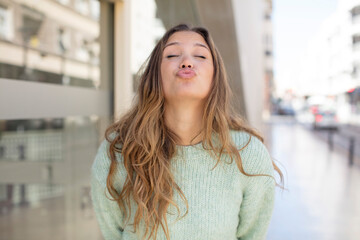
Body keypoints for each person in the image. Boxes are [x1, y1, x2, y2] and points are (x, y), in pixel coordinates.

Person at [91, 23, 283, 240]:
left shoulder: (248, 154)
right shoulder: (118, 151)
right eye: (172, 54)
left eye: (200, 56)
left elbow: (252, 235)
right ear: (155, 74)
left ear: (215, 76)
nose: (187, 62)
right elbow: (112, 232)